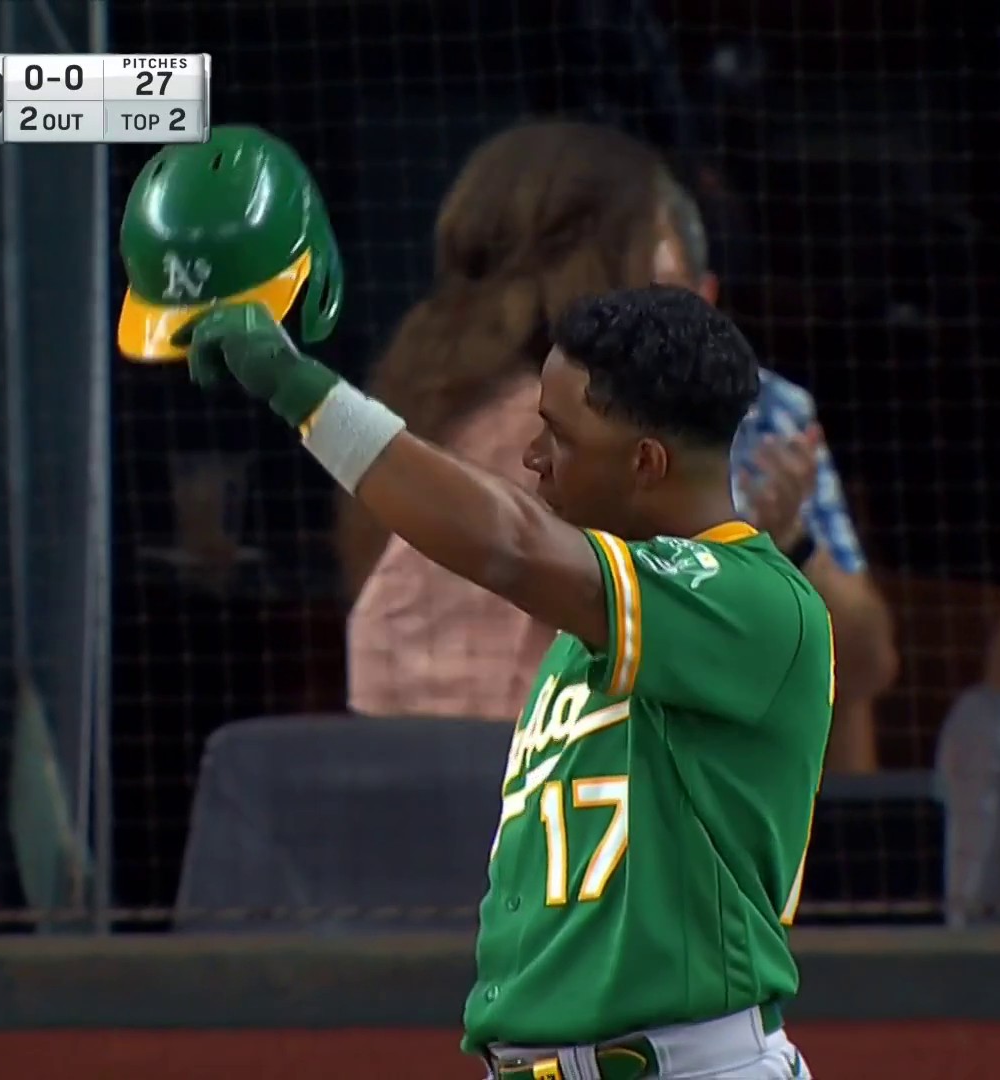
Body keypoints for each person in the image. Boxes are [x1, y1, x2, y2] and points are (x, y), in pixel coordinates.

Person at [187, 283, 824, 1077]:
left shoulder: (754, 600)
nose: (531, 457)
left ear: (645, 463)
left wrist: (300, 389)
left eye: (557, 435)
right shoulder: (587, 638)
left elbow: (509, 546)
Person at [342, 122, 895, 772]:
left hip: (427, 801)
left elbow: (860, 666)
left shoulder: (423, 407)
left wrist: (783, 547)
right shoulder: (567, 421)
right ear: (608, 268)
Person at [655, 171, 896, 770]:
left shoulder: (772, 414)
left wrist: (790, 542)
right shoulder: (550, 417)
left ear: (705, 298)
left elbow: (869, 661)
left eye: (661, 298)